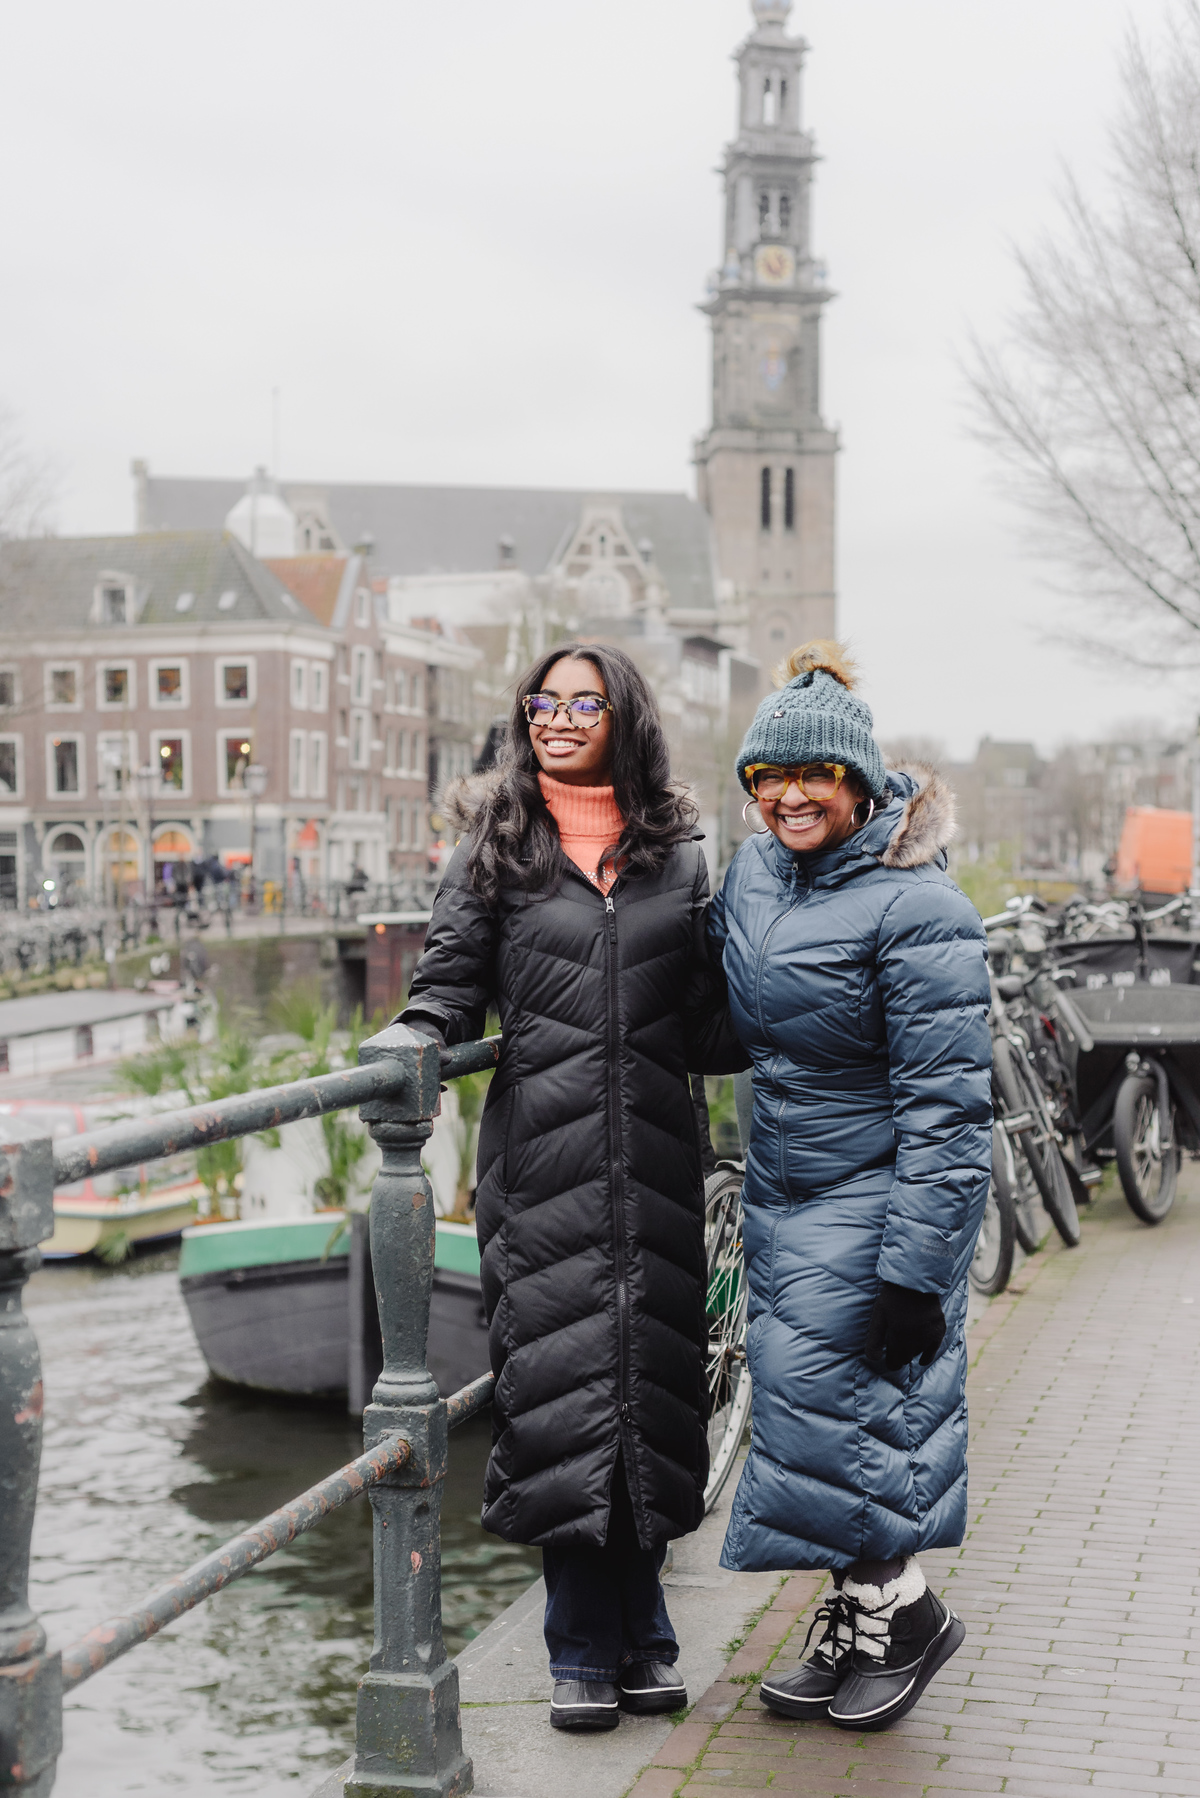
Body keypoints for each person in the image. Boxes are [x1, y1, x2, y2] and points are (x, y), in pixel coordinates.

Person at [397, 642, 746, 1734]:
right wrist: (411, 1037)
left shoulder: (678, 853)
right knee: (558, 1398)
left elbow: (706, 1017)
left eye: (580, 702)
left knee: (650, 1391)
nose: (555, 717)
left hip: (654, 1157)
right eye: (541, 702)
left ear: (621, 715)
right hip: (542, 1162)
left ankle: (645, 1630)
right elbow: (445, 985)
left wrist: (801, 977)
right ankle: (580, 1649)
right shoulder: (496, 845)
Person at [708, 641, 991, 1734]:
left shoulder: (918, 905)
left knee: (848, 1402)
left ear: (860, 783)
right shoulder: (755, 875)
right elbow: (720, 1005)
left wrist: (920, 1267)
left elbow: (949, 1107)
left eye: (812, 777)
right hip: (786, 1185)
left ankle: (902, 1614)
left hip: (875, 1193)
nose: (786, 795)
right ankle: (858, 1607)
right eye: (766, 779)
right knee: (815, 1413)